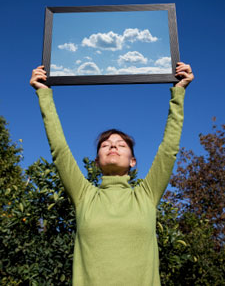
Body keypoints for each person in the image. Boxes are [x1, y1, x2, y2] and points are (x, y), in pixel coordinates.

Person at [30, 62, 194, 286]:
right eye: (106, 144)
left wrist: (179, 92)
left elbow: (168, 150)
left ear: (133, 161)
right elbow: (59, 150)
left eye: (121, 145)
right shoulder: (84, 196)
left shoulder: (145, 196)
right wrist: (44, 94)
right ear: (97, 162)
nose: (113, 146)